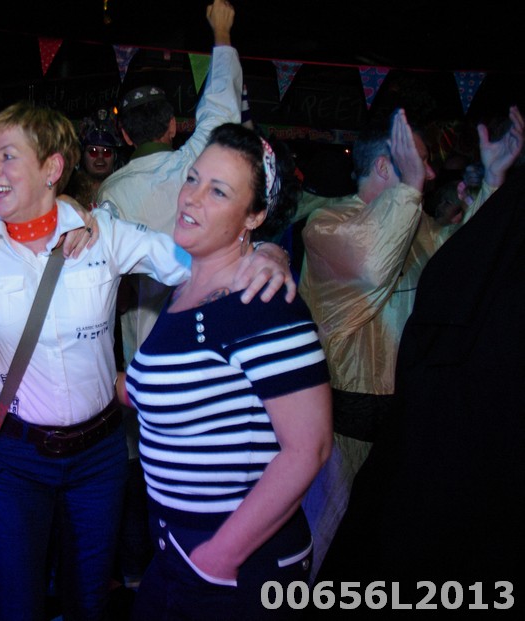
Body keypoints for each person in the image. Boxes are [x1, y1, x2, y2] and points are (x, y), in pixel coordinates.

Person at [0, 102, 295, 621]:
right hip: (17, 458)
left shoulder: (104, 232)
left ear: (52, 168)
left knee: (89, 600)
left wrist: (268, 252)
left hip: (97, 459)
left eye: (8, 156)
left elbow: (201, 262)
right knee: (15, 604)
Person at [298, 105, 524, 582]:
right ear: (386, 165)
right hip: (340, 437)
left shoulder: (416, 224)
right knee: (321, 553)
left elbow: (464, 263)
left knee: (377, 559)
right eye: (419, 159)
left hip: (400, 429)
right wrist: (410, 186)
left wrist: (493, 183)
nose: (431, 172)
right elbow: (372, 266)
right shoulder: (325, 225)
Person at [122, 123, 332, 621]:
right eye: (193, 178)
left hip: (236, 566)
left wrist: (219, 557)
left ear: (254, 216)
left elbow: (310, 447)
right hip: (178, 552)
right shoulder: (184, 291)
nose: (191, 198)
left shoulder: (262, 302)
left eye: (218, 191)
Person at [66, 108, 124, 210]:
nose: (100, 158)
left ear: (115, 157)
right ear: (82, 155)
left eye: (106, 152)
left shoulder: (124, 192)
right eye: (93, 151)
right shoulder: (69, 195)